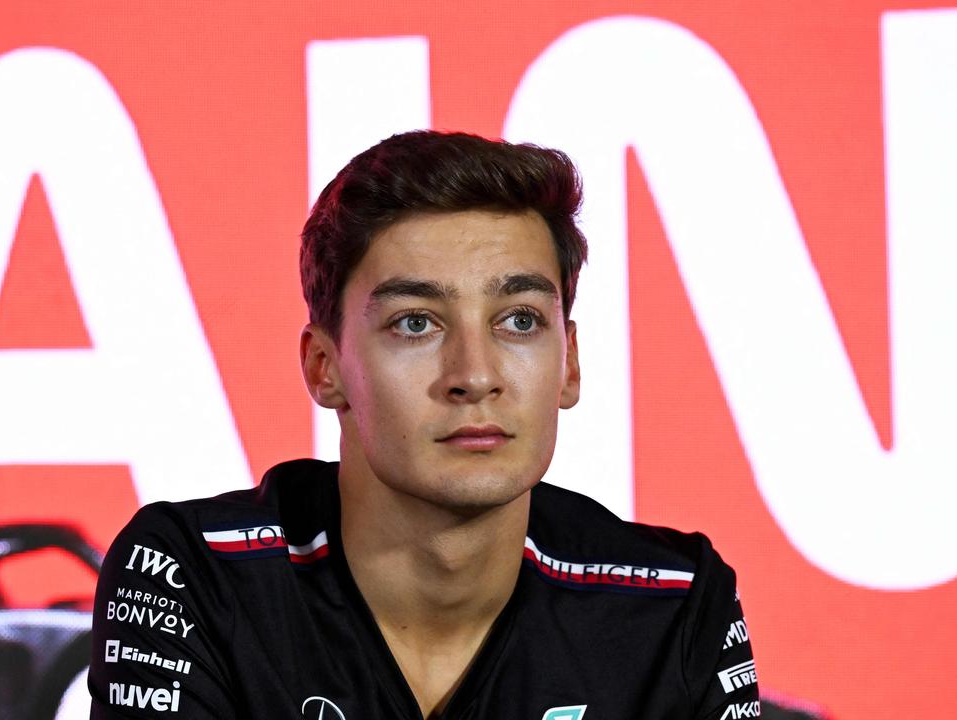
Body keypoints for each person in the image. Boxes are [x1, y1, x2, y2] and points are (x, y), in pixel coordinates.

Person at [88, 130, 760, 719]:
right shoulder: (195, 576)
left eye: (519, 320)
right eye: (416, 323)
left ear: (570, 363)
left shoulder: (675, 604)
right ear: (325, 368)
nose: (475, 374)